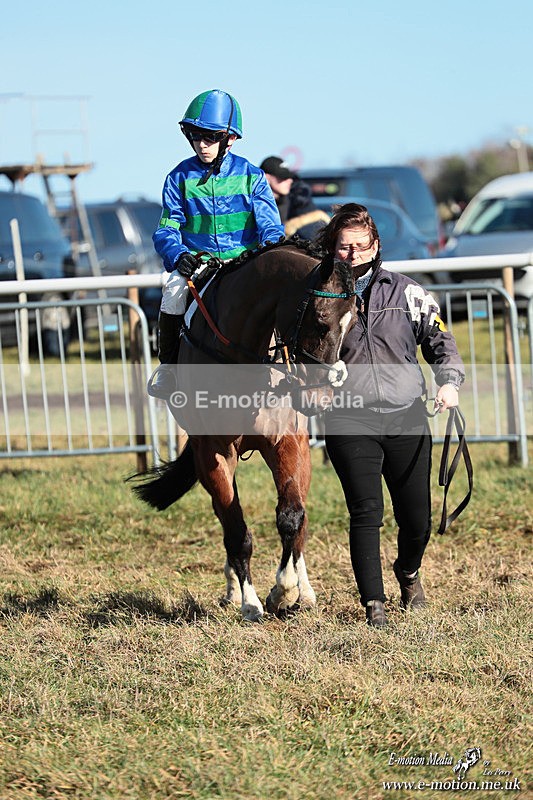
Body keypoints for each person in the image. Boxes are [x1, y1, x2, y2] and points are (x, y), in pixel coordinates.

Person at [316, 203, 465, 628]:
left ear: (376, 245)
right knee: (366, 511)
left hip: (407, 416)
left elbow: (439, 340)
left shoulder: (406, 292)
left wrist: (449, 381)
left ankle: (409, 572)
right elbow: (301, 352)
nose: (353, 255)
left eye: (361, 246)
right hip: (349, 417)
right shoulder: (318, 297)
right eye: (344, 247)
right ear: (333, 249)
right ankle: (374, 605)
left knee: (416, 518)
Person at [149, 90, 285, 399]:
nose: (202, 143)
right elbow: (166, 229)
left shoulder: (253, 176)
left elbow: (270, 227)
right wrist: (178, 254)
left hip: (246, 266)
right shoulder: (177, 178)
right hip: (199, 266)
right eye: (196, 135)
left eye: (210, 137)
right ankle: (168, 370)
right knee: (173, 291)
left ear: (231, 138)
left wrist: (269, 255)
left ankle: (288, 368)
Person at [260, 156, 330, 240]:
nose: (290, 180)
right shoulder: (255, 202)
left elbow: (315, 230)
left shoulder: (298, 197)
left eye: (290, 177)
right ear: (267, 178)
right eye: (283, 177)